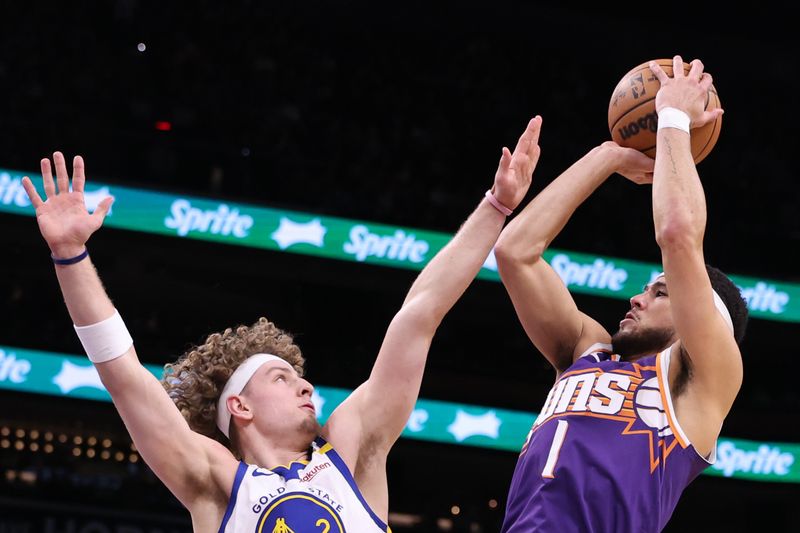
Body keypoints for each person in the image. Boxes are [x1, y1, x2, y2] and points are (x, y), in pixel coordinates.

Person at [21, 116, 542, 532]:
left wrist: (497, 205)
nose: (307, 385)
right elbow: (124, 373)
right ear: (239, 406)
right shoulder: (214, 480)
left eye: (297, 376)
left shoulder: (352, 449)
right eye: (282, 378)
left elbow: (419, 315)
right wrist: (69, 254)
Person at [494, 56, 748, 532]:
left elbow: (677, 233)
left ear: (705, 315)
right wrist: (606, 157)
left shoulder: (702, 377)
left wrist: (672, 118)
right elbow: (514, 251)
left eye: (660, 292)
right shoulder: (586, 351)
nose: (636, 299)